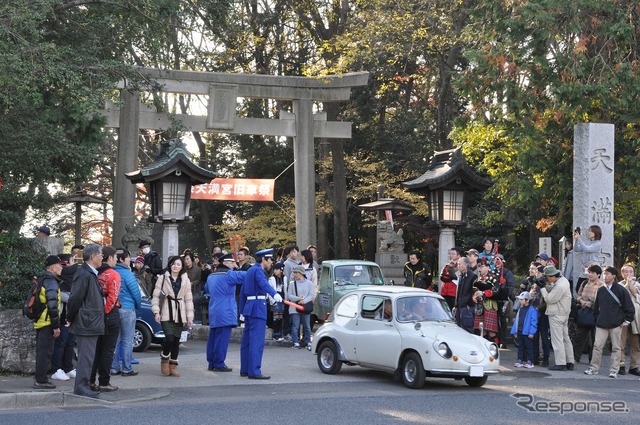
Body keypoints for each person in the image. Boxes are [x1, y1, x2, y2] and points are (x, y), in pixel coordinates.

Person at [66, 244, 105, 398]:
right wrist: (70, 317)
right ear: (93, 256)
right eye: (101, 254)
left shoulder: (90, 273)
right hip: (87, 322)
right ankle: (81, 387)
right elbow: (75, 298)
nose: (103, 257)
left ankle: (83, 385)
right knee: (86, 357)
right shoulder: (84, 274)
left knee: (88, 356)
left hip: (89, 321)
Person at [239, 249, 283, 379]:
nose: (271, 263)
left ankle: (245, 369)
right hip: (257, 307)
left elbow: (242, 292)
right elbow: (263, 284)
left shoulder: (250, 270)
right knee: (256, 341)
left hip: (249, 307)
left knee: (247, 341)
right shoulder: (258, 271)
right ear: (263, 259)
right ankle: (254, 371)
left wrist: (242, 310)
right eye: (270, 260)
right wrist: (274, 293)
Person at [585, 266, 635, 378]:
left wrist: (627, 320)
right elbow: (596, 307)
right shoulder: (601, 289)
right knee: (597, 346)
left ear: (613, 276)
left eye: (607, 274)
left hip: (616, 323)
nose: (605, 276)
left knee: (616, 347)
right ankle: (593, 368)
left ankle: (614, 370)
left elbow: (629, 307)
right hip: (601, 323)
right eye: (604, 274)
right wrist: (597, 318)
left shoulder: (621, 290)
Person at [152, 255, 194, 377]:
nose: (175, 266)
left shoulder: (186, 280)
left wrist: (190, 317)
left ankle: (173, 365)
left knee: (176, 340)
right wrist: (156, 311)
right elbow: (156, 296)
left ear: (182, 267)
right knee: (169, 337)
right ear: (170, 264)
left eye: (178, 264)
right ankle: (165, 358)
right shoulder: (162, 278)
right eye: (174, 264)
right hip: (166, 309)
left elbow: (189, 299)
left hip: (180, 312)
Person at [204, 253, 245, 372]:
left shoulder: (211, 276)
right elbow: (246, 276)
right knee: (222, 338)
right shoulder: (229, 275)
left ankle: (211, 362)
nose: (234, 265)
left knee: (213, 337)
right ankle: (219, 363)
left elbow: (207, 289)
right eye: (232, 263)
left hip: (214, 309)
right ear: (226, 263)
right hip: (226, 310)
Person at [90, 246, 121, 392]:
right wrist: (106, 313)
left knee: (96, 349)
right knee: (108, 350)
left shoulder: (96, 273)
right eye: (115, 257)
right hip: (110, 315)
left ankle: (90, 380)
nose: (116, 260)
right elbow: (113, 297)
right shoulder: (113, 274)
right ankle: (104, 382)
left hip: (95, 314)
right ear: (109, 258)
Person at [33, 255, 63, 389]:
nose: (61, 267)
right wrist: (56, 326)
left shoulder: (43, 280)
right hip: (47, 322)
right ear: (52, 267)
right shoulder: (51, 282)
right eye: (59, 265)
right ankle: (41, 380)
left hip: (41, 321)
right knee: (45, 353)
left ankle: (41, 378)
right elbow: (52, 306)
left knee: (42, 352)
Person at [111, 249, 142, 377]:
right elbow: (136, 292)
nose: (130, 260)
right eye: (129, 257)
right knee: (127, 340)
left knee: (115, 340)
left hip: (114, 309)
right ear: (122, 259)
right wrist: (137, 305)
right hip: (128, 309)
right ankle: (127, 368)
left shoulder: (111, 272)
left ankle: (114, 367)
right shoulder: (127, 273)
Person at [540, 265, 574, 371]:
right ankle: (570, 361)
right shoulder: (563, 280)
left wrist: (543, 289)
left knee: (557, 339)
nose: (546, 279)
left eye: (546, 277)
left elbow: (549, 299)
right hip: (564, 313)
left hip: (556, 313)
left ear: (551, 276)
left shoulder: (559, 286)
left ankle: (560, 363)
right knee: (565, 338)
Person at [50, 253, 77, 381]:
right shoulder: (59, 280)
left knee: (70, 342)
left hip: (72, 316)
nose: (74, 264)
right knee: (61, 342)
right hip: (63, 316)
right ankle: (56, 369)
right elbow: (63, 296)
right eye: (72, 261)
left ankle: (68, 367)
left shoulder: (72, 279)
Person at [572, 264, 602, 364]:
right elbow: (578, 295)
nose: (590, 274)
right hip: (584, 312)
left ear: (598, 274)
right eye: (589, 272)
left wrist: (592, 302)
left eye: (593, 273)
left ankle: (592, 360)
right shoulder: (584, 283)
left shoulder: (601, 285)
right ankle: (575, 358)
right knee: (579, 336)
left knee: (595, 339)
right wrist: (582, 301)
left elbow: (602, 300)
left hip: (596, 313)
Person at [619, 264, 640, 376]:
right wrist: (627, 286)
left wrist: (634, 292)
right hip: (623, 317)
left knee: (635, 344)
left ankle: (634, 366)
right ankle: (620, 364)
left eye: (630, 271)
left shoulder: (638, 285)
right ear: (622, 274)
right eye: (626, 272)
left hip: (636, 318)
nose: (628, 274)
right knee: (621, 342)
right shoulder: (619, 285)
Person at [287, 265, 314, 350]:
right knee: (295, 325)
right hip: (295, 307)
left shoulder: (309, 283)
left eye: (296, 272)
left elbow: (311, 295)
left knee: (307, 325)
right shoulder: (292, 284)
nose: (295, 274)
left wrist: (304, 301)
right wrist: (297, 298)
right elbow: (289, 295)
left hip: (305, 307)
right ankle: (295, 342)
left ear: (301, 273)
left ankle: (308, 341)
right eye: (294, 272)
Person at [511, 291, 538, 368]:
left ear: (527, 300)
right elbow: (516, 320)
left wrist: (532, 332)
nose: (520, 301)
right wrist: (515, 331)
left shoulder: (532, 310)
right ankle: (520, 359)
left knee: (529, 347)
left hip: (527, 332)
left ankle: (530, 361)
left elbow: (534, 322)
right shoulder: (520, 309)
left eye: (521, 299)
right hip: (520, 331)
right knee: (520, 347)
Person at [573, 225, 603, 292]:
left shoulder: (598, 243)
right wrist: (576, 240)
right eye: (588, 231)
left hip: (593, 267)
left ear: (596, 232)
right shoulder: (587, 242)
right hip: (585, 267)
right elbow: (576, 249)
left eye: (590, 231)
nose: (588, 233)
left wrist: (580, 239)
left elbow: (587, 249)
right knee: (579, 288)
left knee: (592, 287)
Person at [453, 256, 477, 333]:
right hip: (459, 306)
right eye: (458, 264)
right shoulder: (460, 275)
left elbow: (474, 292)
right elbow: (458, 291)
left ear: (466, 265)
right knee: (459, 328)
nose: (458, 266)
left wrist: (468, 303)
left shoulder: (472, 276)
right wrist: (456, 305)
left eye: (460, 264)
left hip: (467, 306)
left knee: (467, 328)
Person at [268, 261, 286, 340]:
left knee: (281, 317)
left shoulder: (284, 278)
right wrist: (273, 301)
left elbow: (285, 289)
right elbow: (270, 290)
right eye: (274, 269)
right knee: (275, 317)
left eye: (277, 269)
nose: (275, 271)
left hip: (282, 299)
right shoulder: (272, 278)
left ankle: (280, 334)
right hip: (275, 300)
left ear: (281, 270)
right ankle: (275, 334)